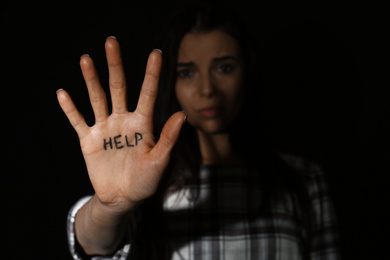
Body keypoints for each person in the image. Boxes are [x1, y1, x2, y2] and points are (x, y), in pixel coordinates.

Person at [57, 4, 341, 260]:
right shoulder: (149, 176)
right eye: (187, 73)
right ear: (172, 83)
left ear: (247, 71)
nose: (208, 90)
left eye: (224, 68)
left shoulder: (303, 179)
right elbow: (96, 245)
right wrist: (111, 207)